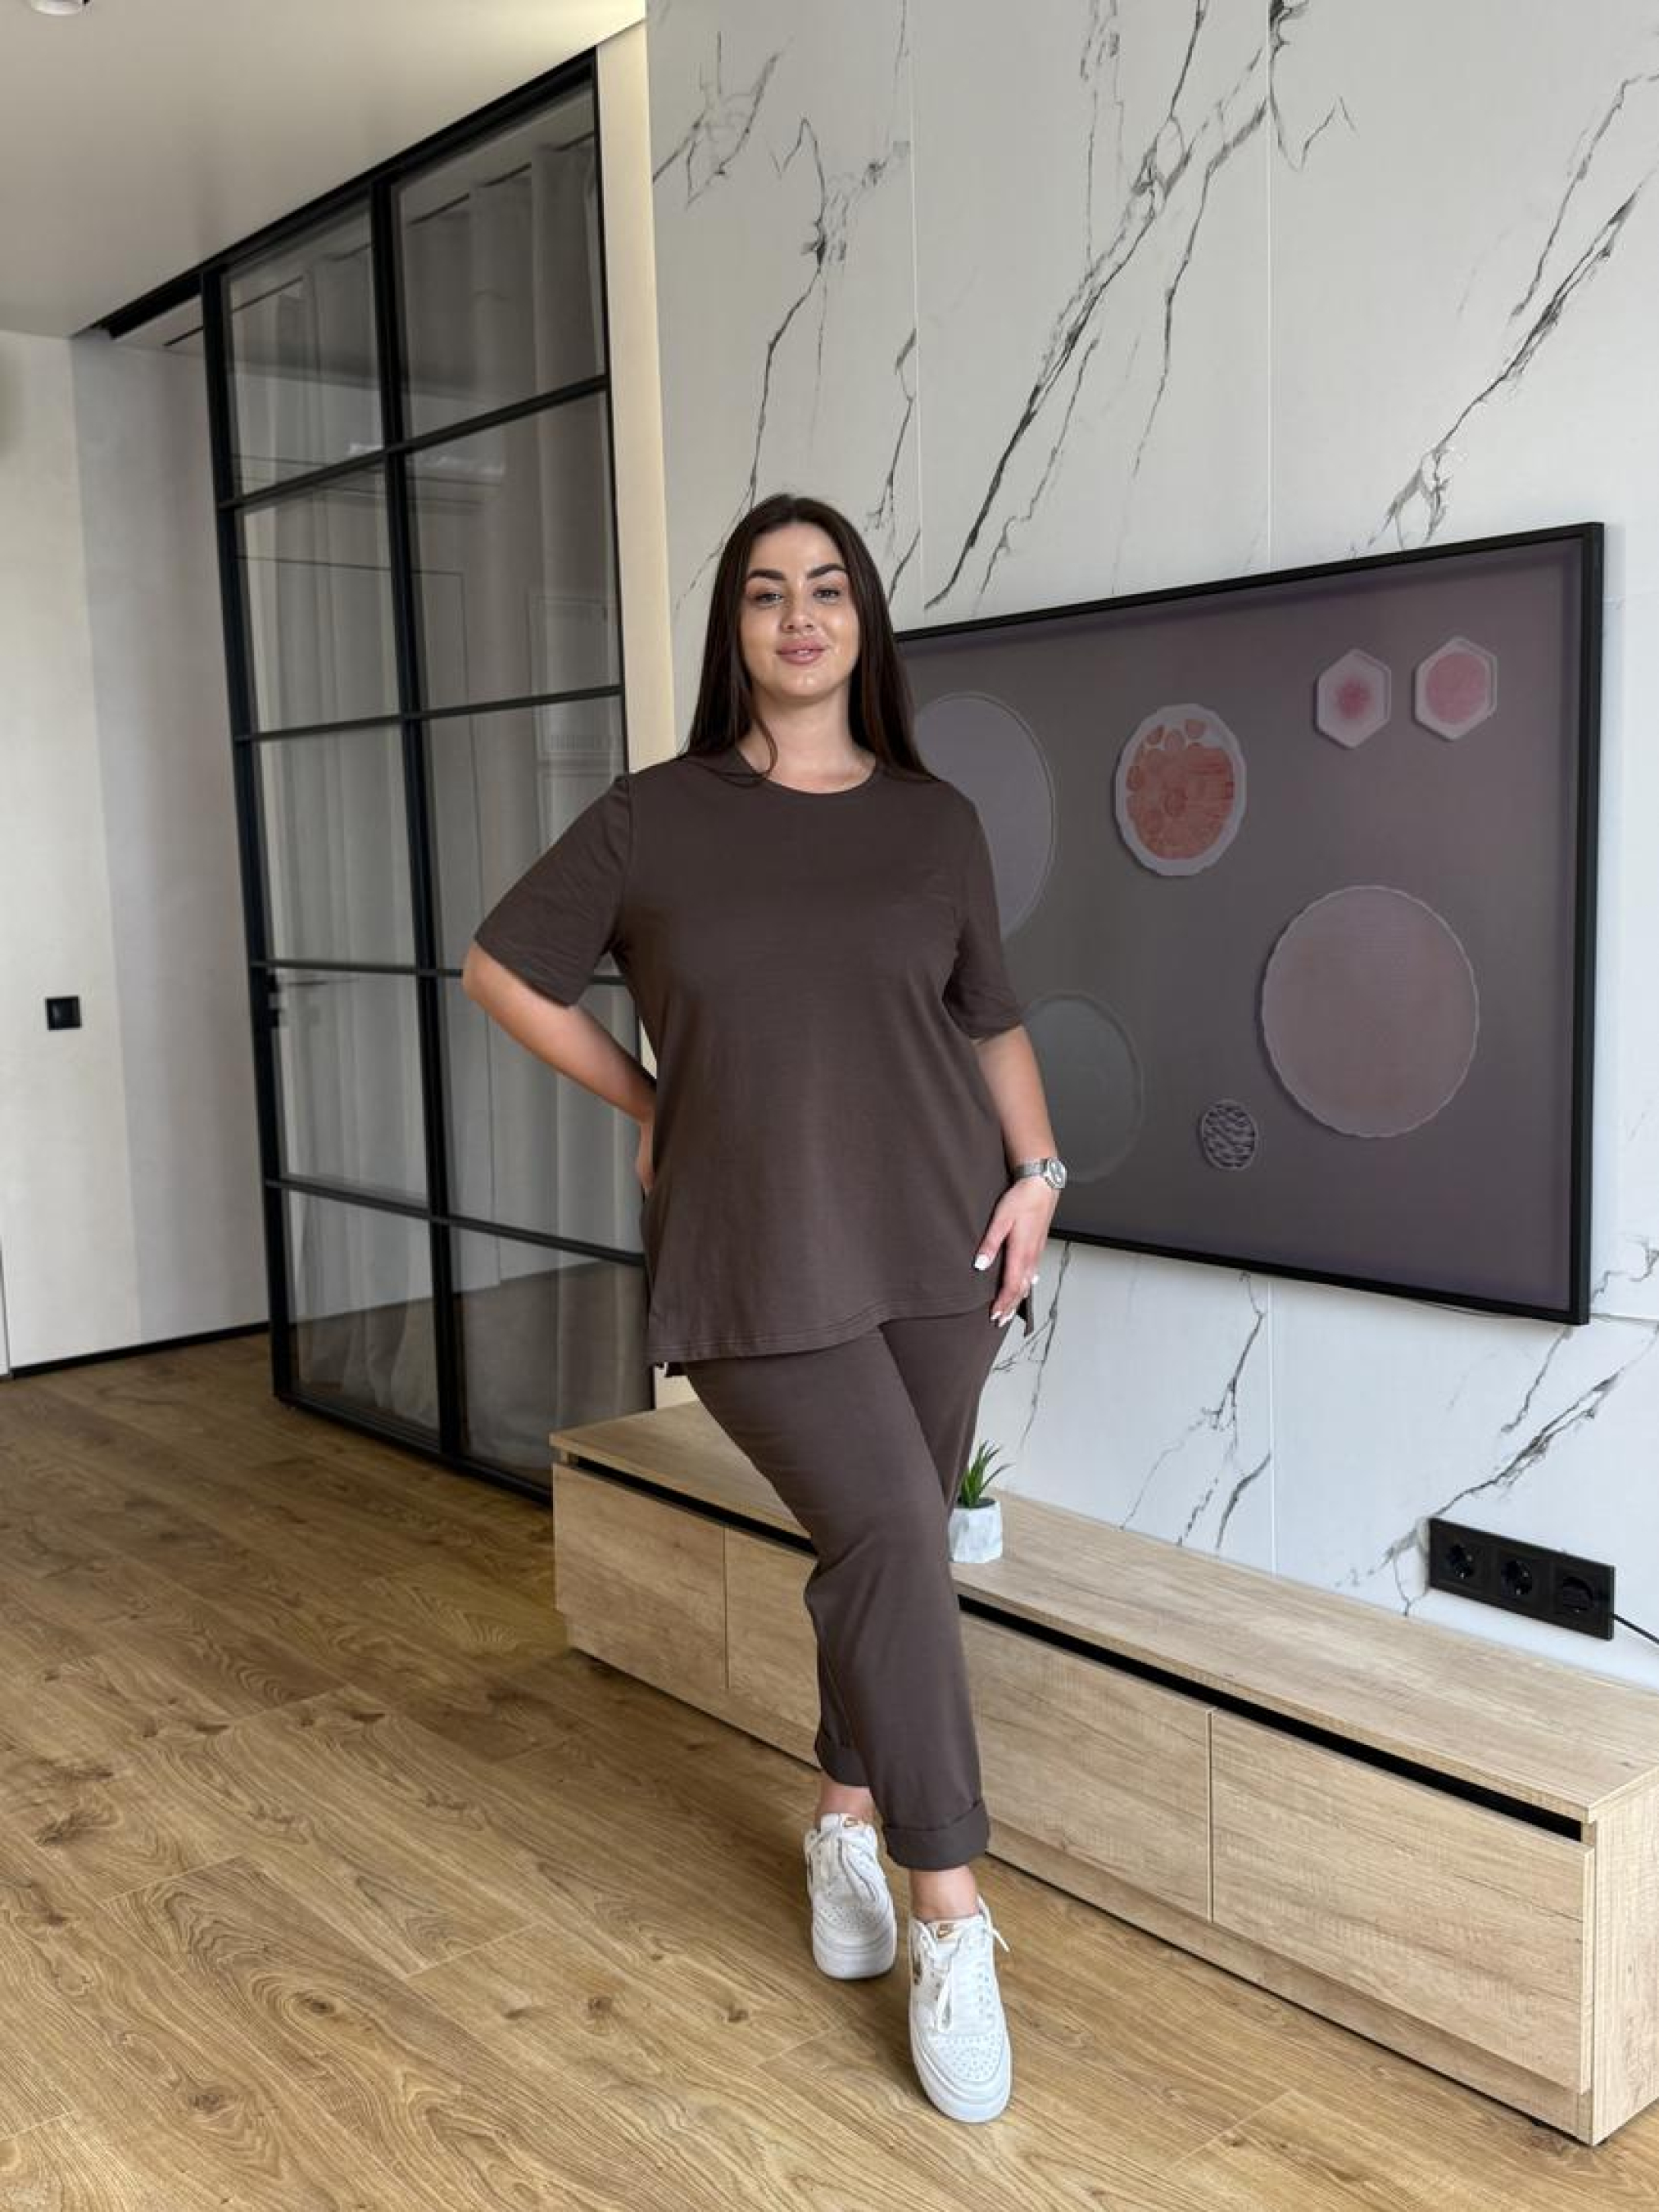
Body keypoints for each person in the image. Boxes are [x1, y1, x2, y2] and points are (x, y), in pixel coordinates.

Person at [462, 490, 1065, 2125]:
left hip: (941, 1242)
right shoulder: (654, 819)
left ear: (862, 622)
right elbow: (504, 969)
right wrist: (653, 1102)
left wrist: (1037, 1172)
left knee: (884, 1549)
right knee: (890, 1527)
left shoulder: (932, 820)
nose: (798, 615)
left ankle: (840, 1822)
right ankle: (951, 1918)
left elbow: (989, 1017)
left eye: (826, 588)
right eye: (764, 592)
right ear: (733, 628)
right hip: (749, 1250)